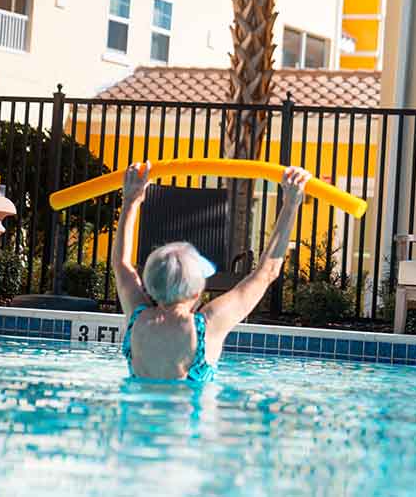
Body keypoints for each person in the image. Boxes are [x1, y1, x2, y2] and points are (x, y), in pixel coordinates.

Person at [112, 161, 310, 382]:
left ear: (149, 284)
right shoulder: (207, 327)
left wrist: (131, 200)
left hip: (139, 416)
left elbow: (121, 266)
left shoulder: (137, 320)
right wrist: (291, 203)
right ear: (197, 292)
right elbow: (267, 272)